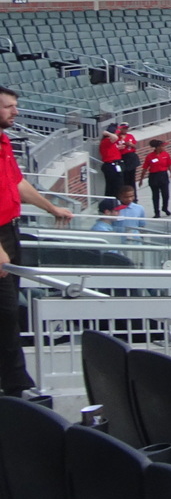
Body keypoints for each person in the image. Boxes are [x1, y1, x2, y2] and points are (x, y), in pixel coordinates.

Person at [0, 86, 72, 396]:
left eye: (15, 106)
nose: (15, 112)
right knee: (5, 313)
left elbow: (16, 182)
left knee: (7, 312)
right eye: (8, 107)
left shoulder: (3, 141)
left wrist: (51, 207)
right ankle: (17, 387)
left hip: (10, 232)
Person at [141, 139, 171, 217]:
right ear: (157, 147)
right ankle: (156, 212)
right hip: (154, 176)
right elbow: (145, 168)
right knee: (155, 196)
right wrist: (141, 179)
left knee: (166, 194)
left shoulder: (166, 154)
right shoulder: (150, 156)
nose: (164, 147)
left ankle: (165, 208)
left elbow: (169, 164)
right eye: (162, 146)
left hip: (163, 175)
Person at [97, 125, 124, 193]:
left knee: (119, 185)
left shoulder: (111, 142)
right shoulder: (106, 140)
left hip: (116, 164)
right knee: (113, 186)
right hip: (110, 165)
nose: (117, 134)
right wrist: (108, 133)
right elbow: (115, 138)